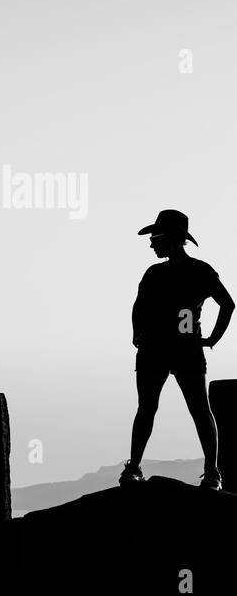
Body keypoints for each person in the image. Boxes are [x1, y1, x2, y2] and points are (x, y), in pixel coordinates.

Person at [121, 209, 233, 490]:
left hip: (159, 350)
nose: (151, 243)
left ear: (169, 238)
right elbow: (227, 304)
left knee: (149, 409)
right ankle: (211, 473)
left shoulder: (158, 273)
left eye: (155, 237)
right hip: (182, 349)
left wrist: (138, 334)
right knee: (197, 410)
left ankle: (135, 469)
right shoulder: (199, 271)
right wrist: (210, 339)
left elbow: (139, 308)